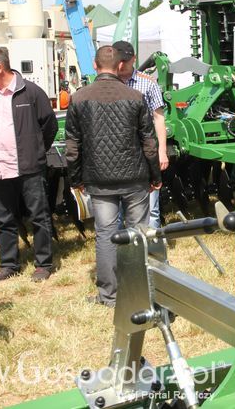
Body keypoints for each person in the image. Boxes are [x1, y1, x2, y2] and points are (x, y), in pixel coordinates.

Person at [65, 45, 161, 307]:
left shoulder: (79, 98)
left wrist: (76, 180)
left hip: (99, 180)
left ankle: (109, 295)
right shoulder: (135, 96)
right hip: (135, 179)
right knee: (138, 233)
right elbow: (149, 141)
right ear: (120, 66)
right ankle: (140, 291)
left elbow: (72, 145)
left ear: (95, 66)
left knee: (105, 235)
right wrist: (155, 175)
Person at [0, 47, 58, 282]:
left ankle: (44, 263)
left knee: (38, 216)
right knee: (3, 219)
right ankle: (9, 264)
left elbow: (49, 125)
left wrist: (35, 152)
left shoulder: (30, 92)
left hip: (28, 168)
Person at [113, 40, 169, 228]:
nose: (121, 65)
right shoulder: (107, 85)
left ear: (134, 59)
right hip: (116, 153)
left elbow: (159, 118)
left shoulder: (148, 84)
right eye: (118, 61)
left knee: (151, 209)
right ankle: (121, 253)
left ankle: (151, 252)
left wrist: (162, 151)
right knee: (117, 212)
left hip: (145, 152)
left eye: (125, 61)